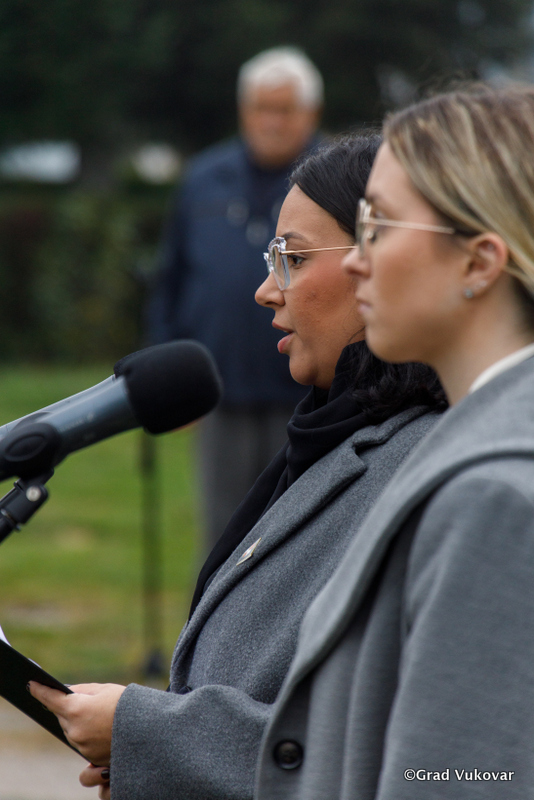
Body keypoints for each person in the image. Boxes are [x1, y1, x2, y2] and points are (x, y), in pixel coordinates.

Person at [30, 134, 446, 799]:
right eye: (271, 258)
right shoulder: (333, 437)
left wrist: (152, 735)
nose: (266, 291)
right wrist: (160, 766)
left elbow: (431, 765)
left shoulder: (435, 474)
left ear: (388, 263)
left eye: (293, 259)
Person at [255, 83, 534, 800]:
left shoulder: (496, 495)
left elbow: (464, 779)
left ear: (479, 262)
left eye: (378, 226)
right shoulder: (475, 446)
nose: (355, 261)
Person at [147, 46, 323, 549]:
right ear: (244, 110)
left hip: (307, 392)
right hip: (220, 389)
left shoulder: (334, 178)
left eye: (284, 109)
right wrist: (168, 378)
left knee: (300, 534)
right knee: (223, 533)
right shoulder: (204, 178)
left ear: (310, 113)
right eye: (261, 108)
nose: (271, 122)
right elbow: (171, 279)